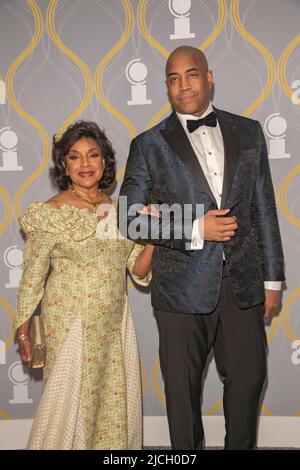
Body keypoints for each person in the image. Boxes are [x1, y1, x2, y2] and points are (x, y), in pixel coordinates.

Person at [119, 46, 284, 450]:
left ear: (209, 77)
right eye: (174, 79)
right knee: (182, 393)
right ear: (166, 86)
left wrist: (273, 278)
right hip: (178, 288)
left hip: (242, 282)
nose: (183, 85)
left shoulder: (248, 131)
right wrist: (196, 227)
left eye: (191, 75)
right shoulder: (148, 144)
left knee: (248, 380)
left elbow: (264, 205)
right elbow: (129, 218)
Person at [14, 121, 154, 450]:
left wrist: (153, 240)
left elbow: (137, 269)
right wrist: (23, 331)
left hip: (114, 324)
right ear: (64, 165)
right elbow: (32, 276)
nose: (85, 164)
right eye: (75, 157)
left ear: (106, 161)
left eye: (93, 155)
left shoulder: (120, 211)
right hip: (70, 321)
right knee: (67, 403)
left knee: (111, 403)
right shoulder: (51, 213)